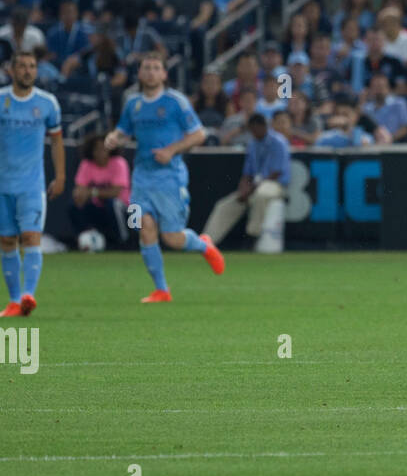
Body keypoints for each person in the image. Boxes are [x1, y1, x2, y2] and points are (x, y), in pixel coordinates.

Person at [104, 51, 226, 303]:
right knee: (144, 228)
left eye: (155, 67)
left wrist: (171, 150)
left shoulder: (176, 102)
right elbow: (123, 130)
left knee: (171, 238)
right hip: (141, 177)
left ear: (164, 73)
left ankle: (204, 245)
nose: (150, 72)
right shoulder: (133, 104)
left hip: (169, 178)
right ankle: (162, 289)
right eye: (146, 67)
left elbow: (199, 135)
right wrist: (114, 137)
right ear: (139, 73)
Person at [0, 50, 65, 318]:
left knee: (30, 237)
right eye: (22, 66)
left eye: (32, 66)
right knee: (7, 240)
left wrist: (60, 177)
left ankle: (28, 295)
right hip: (1, 184)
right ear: (12, 70)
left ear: (37, 70)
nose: (27, 70)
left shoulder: (48, 103)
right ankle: (14, 301)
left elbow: (57, 141)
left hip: (32, 185)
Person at [203, 113, 291, 250]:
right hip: (255, 186)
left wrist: (251, 189)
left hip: (276, 185)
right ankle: (206, 242)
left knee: (260, 195)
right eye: (251, 129)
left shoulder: (278, 142)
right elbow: (247, 173)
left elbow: (276, 173)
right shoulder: (252, 144)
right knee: (225, 204)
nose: (253, 132)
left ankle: (252, 237)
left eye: (255, 129)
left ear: (263, 126)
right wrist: (243, 190)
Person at [70, 132, 131, 248]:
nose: (100, 152)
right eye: (97, 149)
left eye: (104, 148)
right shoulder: (87, 164)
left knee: (113, 204)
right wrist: (80, 195)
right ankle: (84, 239)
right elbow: (80, 189)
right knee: (74, 204)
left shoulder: (119, 163)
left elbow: (115, 192)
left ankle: (122, 241)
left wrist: (91, 192)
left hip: (123, 208)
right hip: (98, 206)